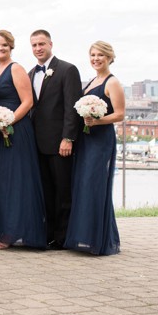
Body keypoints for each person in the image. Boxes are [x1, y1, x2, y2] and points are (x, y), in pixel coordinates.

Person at [65, 41, 124, 256]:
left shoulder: (112, 82)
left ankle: (98, 240)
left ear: (109, 57)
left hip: (100, 140)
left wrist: (97, 121)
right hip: (85, 139)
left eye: (100, 55)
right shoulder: (92, 81)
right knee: (82, 186)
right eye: (92, 55)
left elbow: (119, 114)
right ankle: (84, 237)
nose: (96, 59)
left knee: (95, 186)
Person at [0, 30, 46, 249]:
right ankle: (5, 227)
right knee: (2, 180)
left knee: (17, 180)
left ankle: (14, 231)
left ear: (11, 47)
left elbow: (28, 101)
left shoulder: (16, 68)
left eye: (4, 45)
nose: (0, 48)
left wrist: (8, 122)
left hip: (16, 131)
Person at [29, 29, 82, 250]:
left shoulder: (67, 70)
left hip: (60, 143)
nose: (38, 48)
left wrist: (68, 137)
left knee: (63, 192)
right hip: (38, 143)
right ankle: (49, 234)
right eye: (34, 45)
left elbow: (72, 107)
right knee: (47, 192)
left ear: (51, 44)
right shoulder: (31, 73)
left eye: (42, 44)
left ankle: (63, 237)